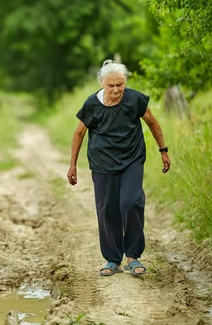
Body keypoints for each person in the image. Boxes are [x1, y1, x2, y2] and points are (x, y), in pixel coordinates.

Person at [66, 60, 170, 277]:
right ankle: (113, 259)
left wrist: (163, 150)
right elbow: (79, 133)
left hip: (131, 158)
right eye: (111, 85)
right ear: (102, 83)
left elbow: (152, 122)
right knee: (107, 209)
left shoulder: (135, 99)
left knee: (131, 201)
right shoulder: (92, 104)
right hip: (102, 163)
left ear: (125, 83)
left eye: (120, 85)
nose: (116, 90)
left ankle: (133, 256)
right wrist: (73, 165)